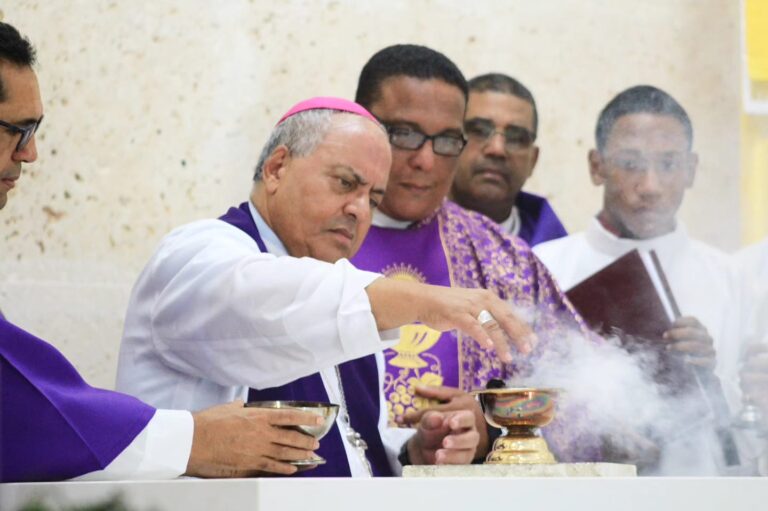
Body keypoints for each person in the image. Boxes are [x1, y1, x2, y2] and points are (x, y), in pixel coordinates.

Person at [116, 96, 534, 477]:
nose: (358, 210)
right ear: (277, 168)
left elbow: (353, 445)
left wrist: (414, 452)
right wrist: (422, 300)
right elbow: (266, 307)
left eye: (372, 198)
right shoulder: (195, 254)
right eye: (345, 184)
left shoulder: (344, 293)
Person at [0, 21, 326, 483]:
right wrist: (196, 439)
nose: (30, 154)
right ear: (277, 168)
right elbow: (22, 409)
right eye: (19, 129)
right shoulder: (202, 249)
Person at [350, 44, 595, 463]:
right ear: (360, 125)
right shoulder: (308, 238)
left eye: (446, 140)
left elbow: (588, 402)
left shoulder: (504, 260)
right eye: (404, 134)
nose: (425, 160)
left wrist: (493, 428)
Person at [533, 85, 744, 474]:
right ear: (597, 166)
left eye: (668, 164)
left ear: (692, 169)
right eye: (631, 163)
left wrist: (711, 380)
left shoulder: (730, 277)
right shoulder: (544, 269)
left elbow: (748, 433)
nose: (650, 186)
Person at [451, 73, 567, 246]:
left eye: (516, 138)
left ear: (533, 160)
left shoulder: (557, 260)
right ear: (448, 142)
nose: (497, 149)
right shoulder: (406, 232)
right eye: (479, 130)